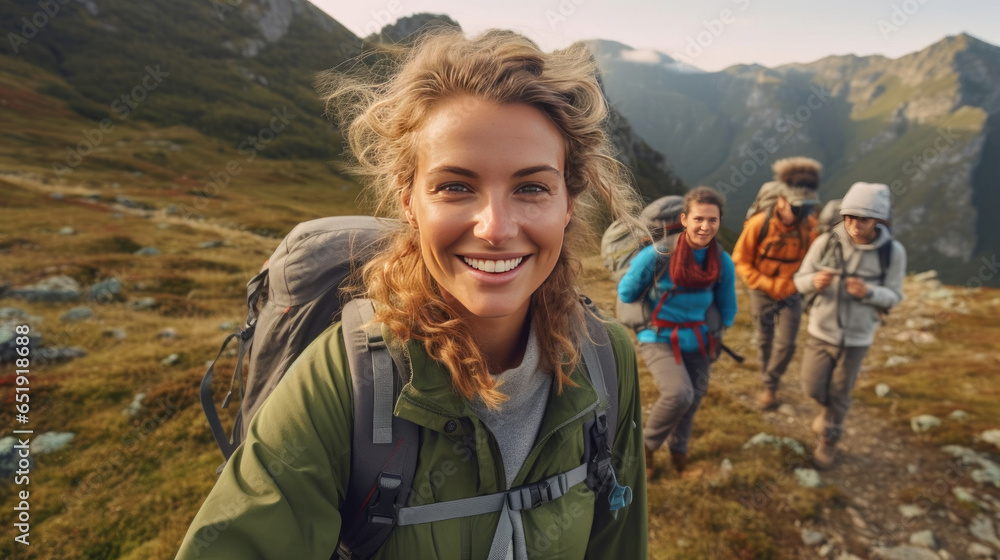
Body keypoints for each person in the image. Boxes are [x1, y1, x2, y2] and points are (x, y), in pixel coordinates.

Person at [175, 30, 648, 560]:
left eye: (532, 187)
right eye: (455, 186)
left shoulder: (608, 360)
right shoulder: (344, 380)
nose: (495, 227)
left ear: (568, 203)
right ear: (409, 204)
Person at [617, 186, 737, 478]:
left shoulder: (720, 261)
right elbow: (627, 291)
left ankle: (679, 456)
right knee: (679, 394)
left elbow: (727, 305)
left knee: (693, 398)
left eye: (712, 220)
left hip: (698, 338)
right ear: (685, 219)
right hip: (658, 336)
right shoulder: (658, 254)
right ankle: (645, 447)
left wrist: (718, 333)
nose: (705, 226)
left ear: (719, 222)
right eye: (698, 219)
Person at [794, 181, 906, 469]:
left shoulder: (892, 253)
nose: (854, 225)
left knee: (841, 394)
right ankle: (825, 410)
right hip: (821, 331)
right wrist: (814, 282)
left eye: (864, 219)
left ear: (878, 220)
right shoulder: (825, 242)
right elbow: (799, 279)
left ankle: (828, 442)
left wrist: (868, 293)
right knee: (812, 386)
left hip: (857, 338)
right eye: (849, 217)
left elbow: (894, 296)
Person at [731, 157, 822, 410]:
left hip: (791, 292)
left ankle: (771, 380)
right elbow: (741, 259)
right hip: (762, 292)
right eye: (796, 207)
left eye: (806, 207)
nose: (801, 213)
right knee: (765, 339)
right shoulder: (759, 224)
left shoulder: (808, 227)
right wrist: (768, 285)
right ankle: (769, 387)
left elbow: (813, 260)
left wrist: (796, 284)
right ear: (781, 201)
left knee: (788, 343)